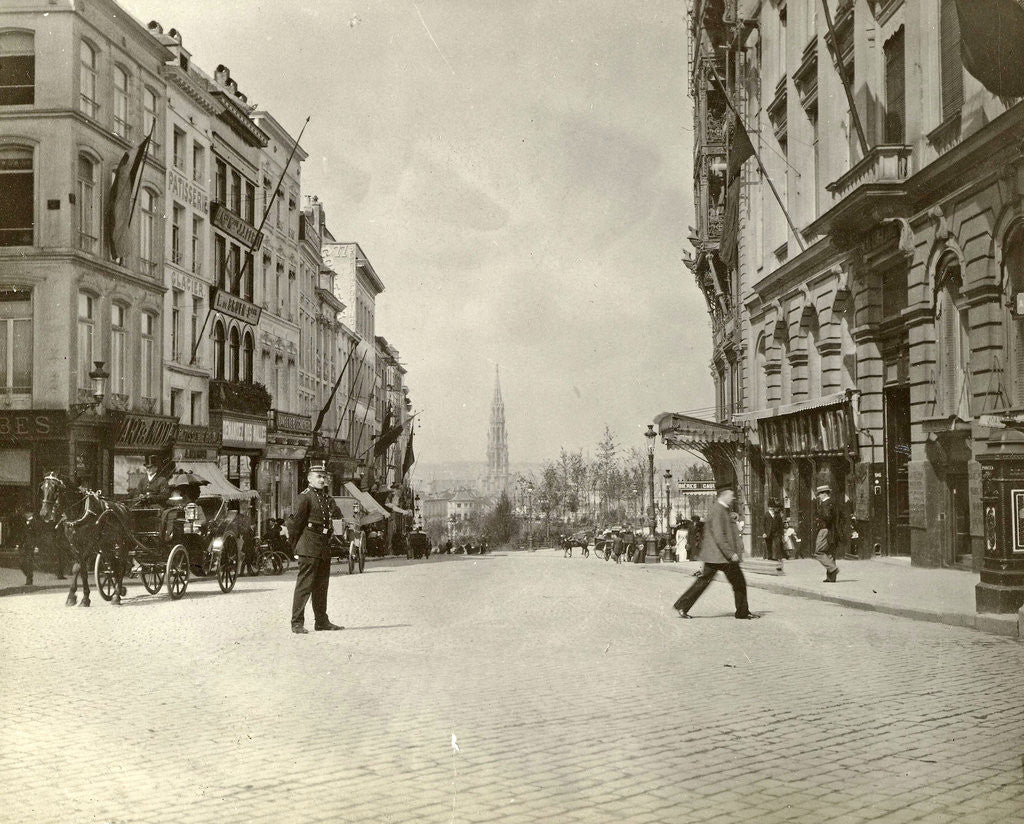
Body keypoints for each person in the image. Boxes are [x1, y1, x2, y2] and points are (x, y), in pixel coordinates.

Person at [672, 481, 759, 620]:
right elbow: (719, 535)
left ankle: (682, 605)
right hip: (721, 556)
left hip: (715, 556)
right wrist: (731, 553)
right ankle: (742, 612)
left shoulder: (721, 509)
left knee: (703, 582)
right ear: (724, 494)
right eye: (731, 494)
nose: (733, 497)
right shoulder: (719, 510)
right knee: (738, 582)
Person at [287, 463, 344, 634]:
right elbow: (294, 525)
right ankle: (297, 623)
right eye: (318, 476)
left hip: (323, 546)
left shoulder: (326, 498)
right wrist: (296, 547)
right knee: (304, 586)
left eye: (324, 477)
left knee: (321, 586)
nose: (322, 480)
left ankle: (321, 621)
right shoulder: (305, 497)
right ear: (309, 479)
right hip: (309, 546)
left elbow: (335, 518)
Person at [814, 484, 840, 583]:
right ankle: (831, 578)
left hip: (825, 529)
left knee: (818, 552)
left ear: (824, 494)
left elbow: (827, 517)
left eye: (820, 494)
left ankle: (833, 569)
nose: (819, 496)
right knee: (829, 553)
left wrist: (819, 519)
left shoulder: (825, 504)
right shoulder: (833, 503)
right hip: (833, 530)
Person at [763, 497, 785, 565]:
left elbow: (781, 525)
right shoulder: (766, 514)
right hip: (768, 532)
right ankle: (769, 557)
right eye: (771, 508)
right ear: (769, 508)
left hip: (776, 532)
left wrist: (782, 533)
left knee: (777, 544)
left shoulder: (777, 515)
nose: (772, 509)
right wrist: (764, 532)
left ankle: (777, 557)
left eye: (773, 508)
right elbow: (763, 524)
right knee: (768, 545)